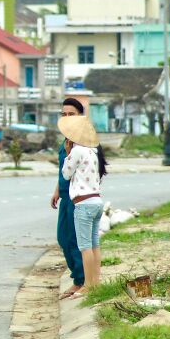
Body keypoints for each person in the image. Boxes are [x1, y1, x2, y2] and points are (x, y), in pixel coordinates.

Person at [59, 115, 108, 299]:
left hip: (84, 204)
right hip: (96, 201)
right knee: (95, 244)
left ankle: (87, 285)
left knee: (85, 246)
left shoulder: (77, 151)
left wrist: (67, 152)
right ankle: (95, 282)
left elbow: (66, 174)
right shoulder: (93, 151)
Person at [50, 98, 85, 299]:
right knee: (63, 238)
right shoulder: (65, 141)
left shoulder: (83, 141)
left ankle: (80, 280)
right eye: (64, 114)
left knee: (74, 239)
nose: (67, 118)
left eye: (71, 114)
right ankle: (77, 278)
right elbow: (63, 170)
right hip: (64, 196)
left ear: (80, 116)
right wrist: (56, 190)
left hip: (78, 197)